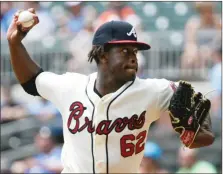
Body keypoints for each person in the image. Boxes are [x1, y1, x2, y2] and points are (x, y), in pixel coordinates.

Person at [7, 8, 215, 173]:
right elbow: (33, 80)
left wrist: (198, 132)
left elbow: (201, 124)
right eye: (125, 51)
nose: (133, 57)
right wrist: (14, 43)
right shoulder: (70, 87)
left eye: (135, 51)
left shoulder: (154, 91)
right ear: (103, 54)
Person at [181, 2, 221, 69]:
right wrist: (194, 50)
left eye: (208, 9)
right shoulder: (194, 23)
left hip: (215, 51)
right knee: (188, 57)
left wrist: (211, 49)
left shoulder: (218, 22)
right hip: (198, 51)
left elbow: (219, 40)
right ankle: (189, 77)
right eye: (203, 10)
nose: (207, 13)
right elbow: (190, 42)